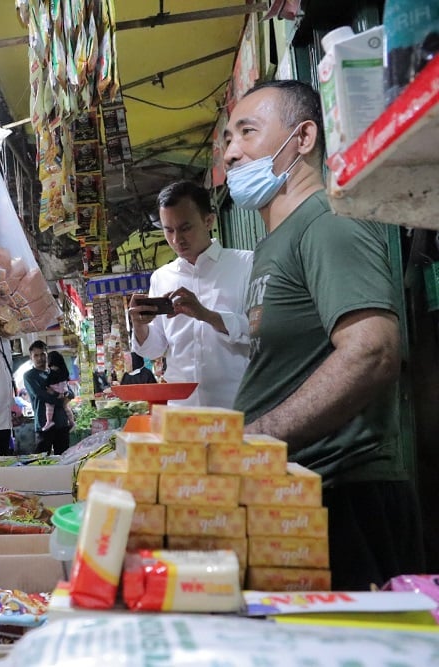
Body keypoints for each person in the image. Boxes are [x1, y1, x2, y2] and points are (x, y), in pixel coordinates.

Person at [224, 79, 424, 590]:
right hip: (298, 495)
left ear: (304, 137)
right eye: (228, 139)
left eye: (247, 132)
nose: (230, 153)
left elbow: (371, 351)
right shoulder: (274, 243)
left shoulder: (328, 222)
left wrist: (255, 438)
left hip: (343, 497)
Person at [127, 180, 252, 408]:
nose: (177, 240)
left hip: (236, 406)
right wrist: (140, 326)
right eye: (169, 230)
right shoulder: (162, 277)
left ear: (208, 220)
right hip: (182, 413)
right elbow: (155, 348)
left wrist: (207, 315)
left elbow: (258, 330)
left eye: (185, 228)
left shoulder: (246, 264)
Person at [24, 340, 72, 455]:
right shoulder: (30, 376)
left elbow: (70, 392)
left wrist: (66, 396)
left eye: (42, 354)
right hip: (44, 425)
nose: (40, 358)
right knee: (42, 461)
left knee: (64, 459)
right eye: (36, 355)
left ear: (47, 355)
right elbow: (41, 395)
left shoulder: (56, 372)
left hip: (61, 423)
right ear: (31, 358)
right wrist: (62, 402)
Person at [42, 351, 74, 431]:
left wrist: (54, 393)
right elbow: (71, 394)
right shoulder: (64, 371)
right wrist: (65, 395)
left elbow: (71, 394)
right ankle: (72, 421)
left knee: (49, 406)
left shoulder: (51, 372)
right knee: (66, 407)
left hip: (60, 420)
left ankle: (49, 421)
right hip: (63, 392)